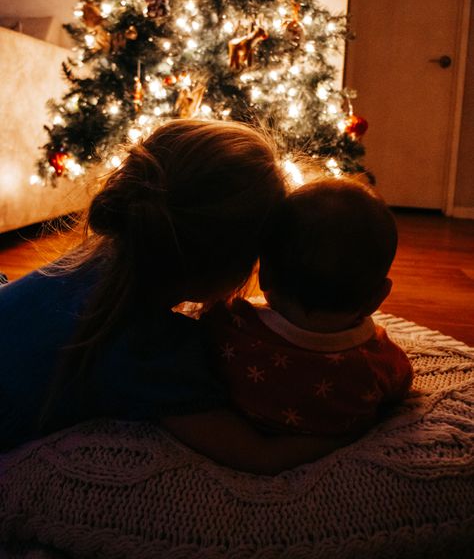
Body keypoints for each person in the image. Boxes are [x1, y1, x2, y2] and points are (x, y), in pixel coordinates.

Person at [0, 118, 349, 473]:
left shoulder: (98, 256)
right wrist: (353, 430)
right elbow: (258, 455)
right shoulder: (153, 349)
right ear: (230, 265)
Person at [203, 176, 413, 437]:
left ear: (264, 274)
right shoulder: (379, 362)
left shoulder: (230, 328)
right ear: (377, 298)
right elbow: (401, 388)